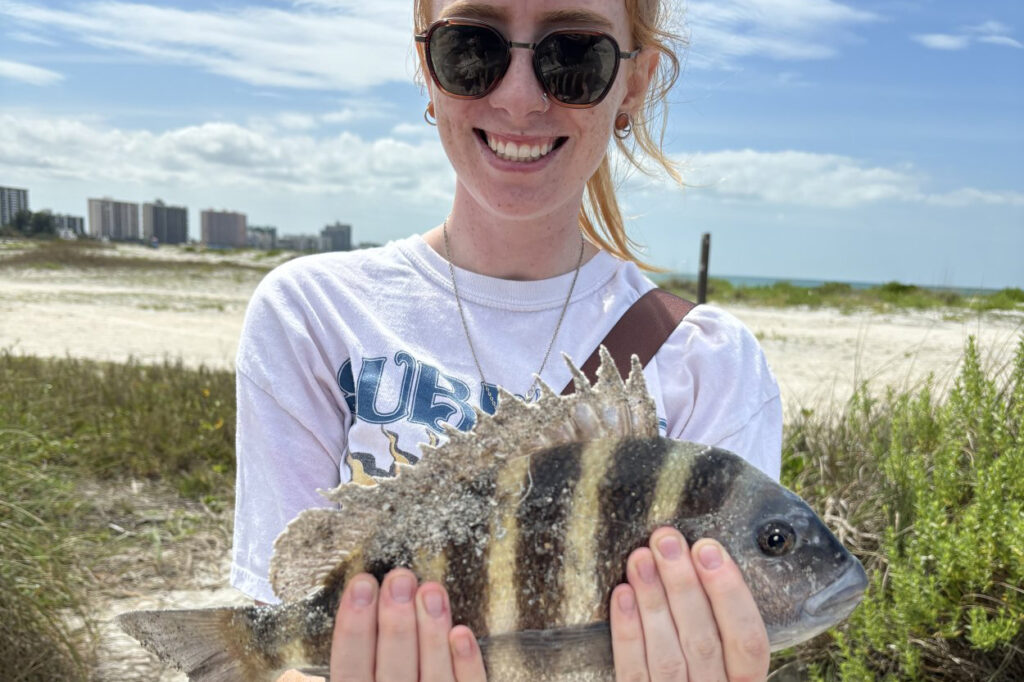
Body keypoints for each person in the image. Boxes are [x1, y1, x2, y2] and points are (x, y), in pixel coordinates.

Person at [231, 0, 783, 679]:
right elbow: (279, 634)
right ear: (426, 70)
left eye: (574, 56)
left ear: (633, 86)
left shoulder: (710, 361)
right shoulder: (310, 313)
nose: (519, 98)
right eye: (472, 49)